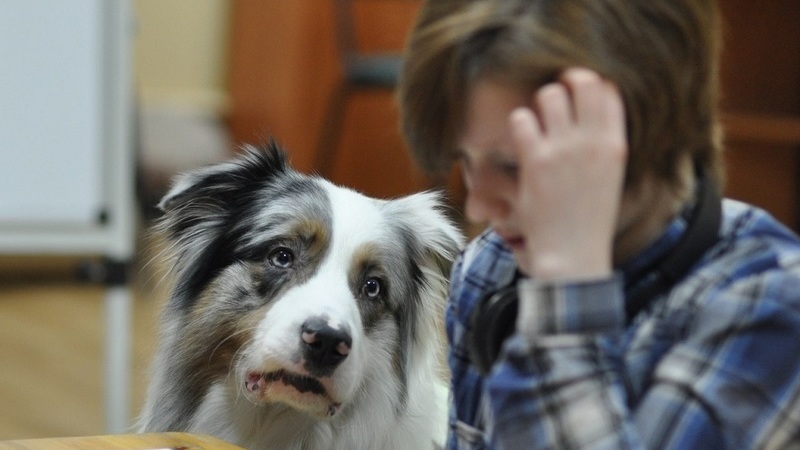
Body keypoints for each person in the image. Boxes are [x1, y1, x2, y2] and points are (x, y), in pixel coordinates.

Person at [396, 0, 800, 449]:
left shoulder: (772, 306)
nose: (478, 207)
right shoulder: (489, 264)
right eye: (465, 161)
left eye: (515, 165)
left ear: (649, 136)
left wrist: (565, 290)